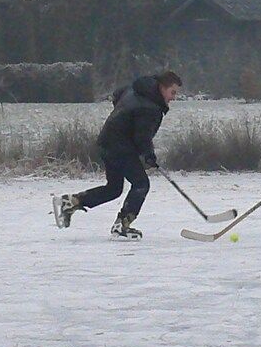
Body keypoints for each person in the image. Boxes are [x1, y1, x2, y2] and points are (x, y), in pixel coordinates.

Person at [54, 70, 182, 239]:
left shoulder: (136, 90)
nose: (173, 97)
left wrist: (123, 120)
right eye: (172, 92)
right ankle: (122, 225)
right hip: (120, 148)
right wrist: (148, 155)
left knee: (114, 189)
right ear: (161, 88)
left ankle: (70, 202)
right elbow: (142, 137)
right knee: (141, 184)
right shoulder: (150, 107)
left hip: (107, 142)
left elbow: (117, 95)